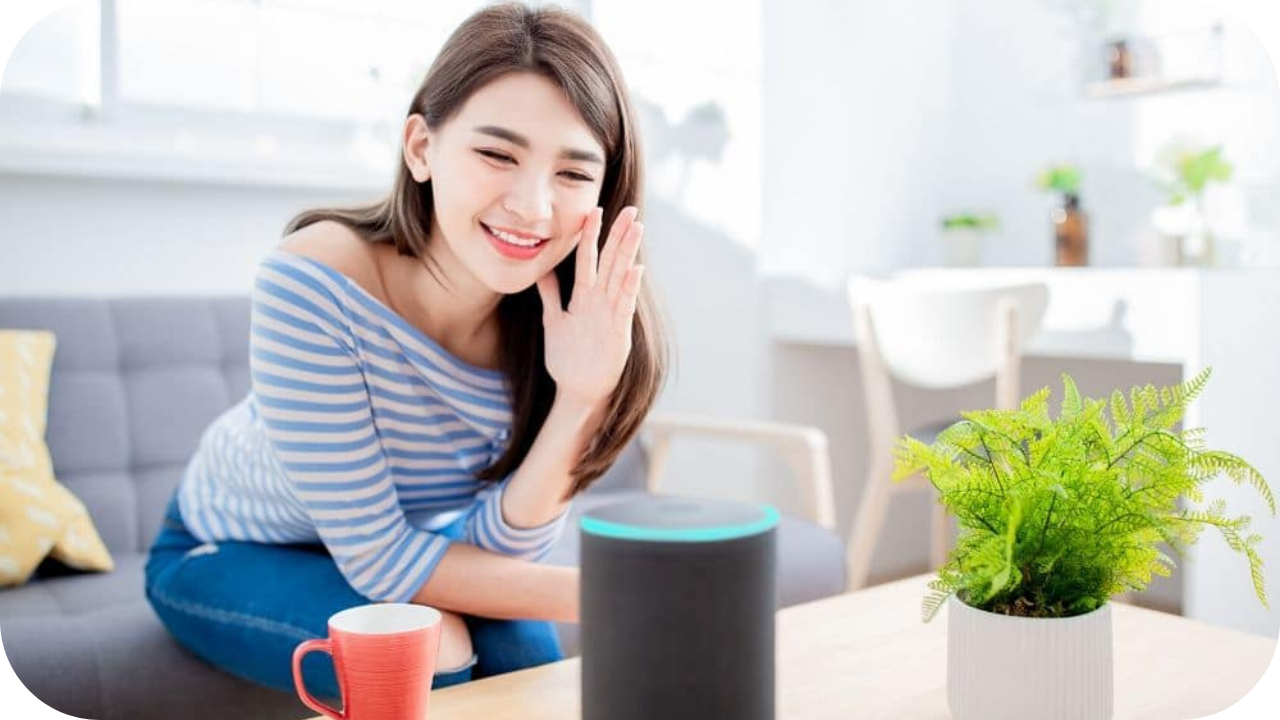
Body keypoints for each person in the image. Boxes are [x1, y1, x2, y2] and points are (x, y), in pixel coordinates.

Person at [144, 1, 669, 697]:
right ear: (421, 148)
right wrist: (614, 592)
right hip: (230, 549)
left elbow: (501, 547)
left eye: (572, 174)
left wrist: (580, 397)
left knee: (526, 652)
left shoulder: (568, 324)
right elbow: (383, 563)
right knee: (427, 650)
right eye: (496, 153)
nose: (533, 206)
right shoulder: (315, 280)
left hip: (401, 559)